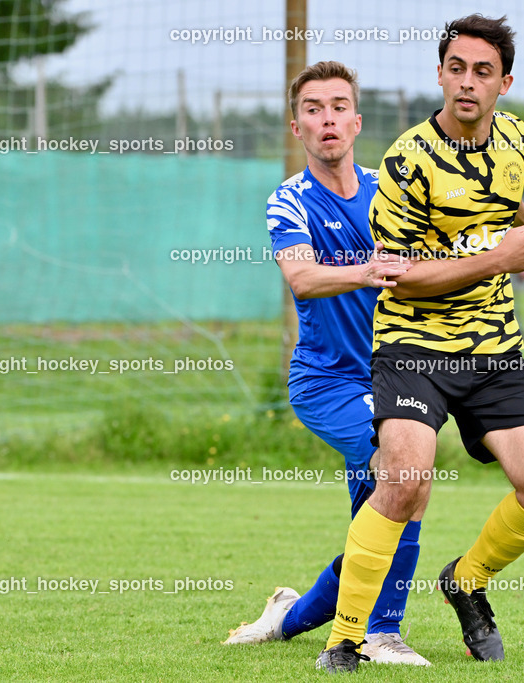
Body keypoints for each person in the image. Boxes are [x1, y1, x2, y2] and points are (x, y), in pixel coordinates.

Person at [315, 15, 524, 673]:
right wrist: (499, 258)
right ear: (439, 74)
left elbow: (495, 198)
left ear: (504, 83)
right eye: (455, 67)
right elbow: (396, 275)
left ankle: (467, 578)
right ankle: (345, 638)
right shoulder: (408, 161)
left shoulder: (515, 138)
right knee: (404, 480)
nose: (467, 81)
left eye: (482, 71)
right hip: (414, 343)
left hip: (494, 349)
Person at [221, 61, 430, 666]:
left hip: (395, 375)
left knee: (388, 505)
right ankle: (382, 633)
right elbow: (302, 278)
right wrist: (366, 270)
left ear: (357, 121)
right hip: (326, 381)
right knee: (404, 474)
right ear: (297, 126)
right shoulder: (289, 200)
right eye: (313, 108)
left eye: (339, 106)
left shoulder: (389, 192)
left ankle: (289, 617)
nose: (327, 118)